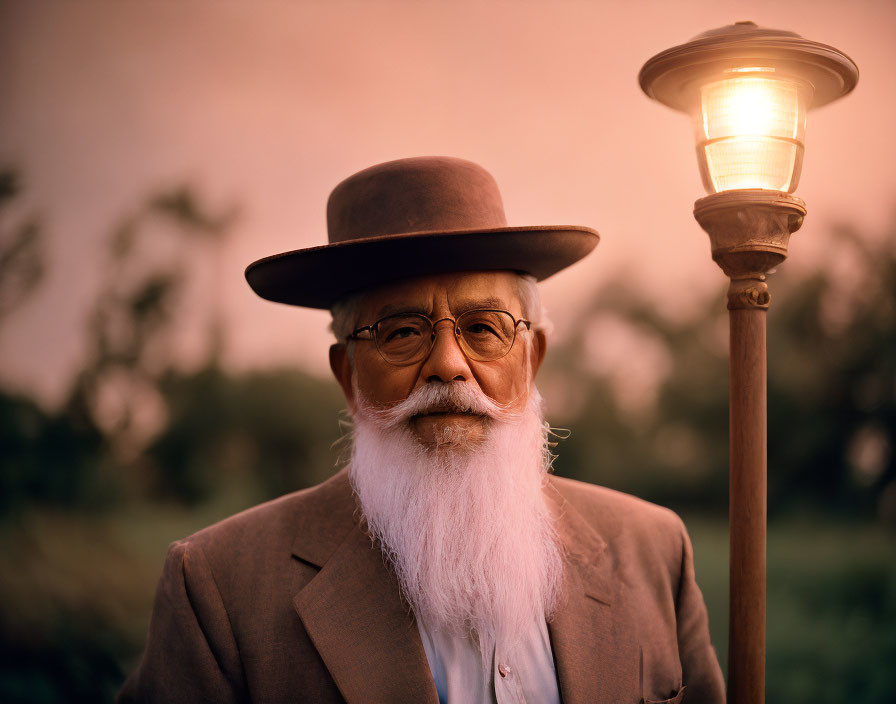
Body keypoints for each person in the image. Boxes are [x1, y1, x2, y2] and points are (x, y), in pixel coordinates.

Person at [118, 156, 725, 704]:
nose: (448, 365)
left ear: (531, 358)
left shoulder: (653, 551)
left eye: (484, 328)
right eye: (402, 332)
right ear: (348, 375)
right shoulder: (220, 590)